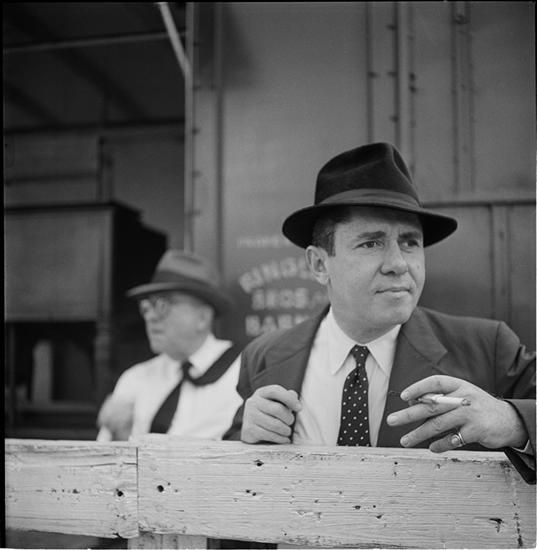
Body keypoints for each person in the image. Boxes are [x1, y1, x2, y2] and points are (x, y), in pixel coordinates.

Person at [223, 142, 536, 484]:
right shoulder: (264, 358)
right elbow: (233, 482)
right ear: (319, 264)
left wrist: (513, 421)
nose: (398, 264)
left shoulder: (487, 348)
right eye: (371, 243)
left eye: (410, 242)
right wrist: (246, 438)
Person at [97, 249, 242, 441]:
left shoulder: (242, 372)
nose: (150, 316)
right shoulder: (134, 379)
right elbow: (106, 457)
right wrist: (119, 436)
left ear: (202, 317)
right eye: (146, 307)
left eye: (162, 305)